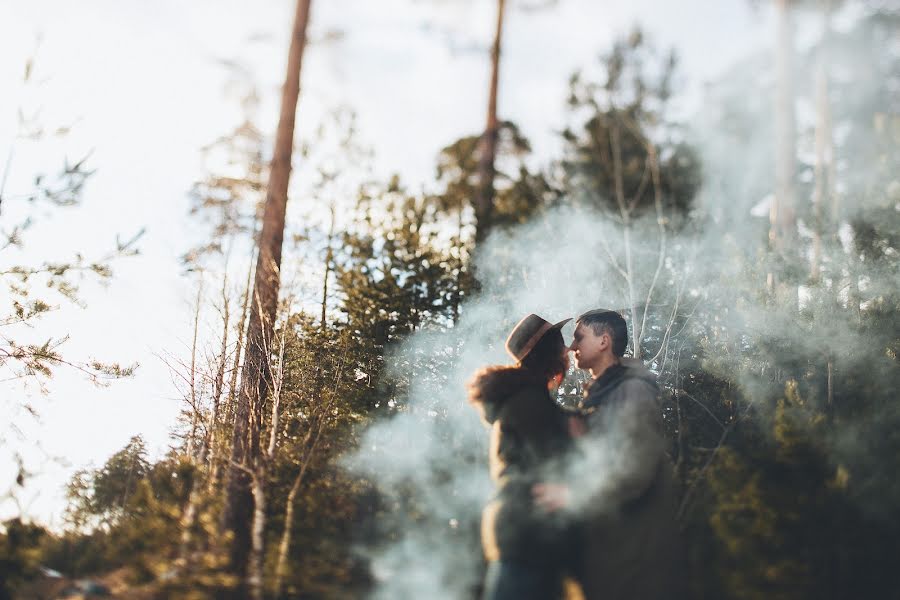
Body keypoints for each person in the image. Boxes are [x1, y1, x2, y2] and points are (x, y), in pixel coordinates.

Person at [535, 308, 687, 600]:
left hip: (632, 556)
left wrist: (572, 495)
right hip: (610, 547)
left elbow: (633, 471)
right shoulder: (601, 394)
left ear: (604, 341)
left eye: (579, 337)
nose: (572, 347)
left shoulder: (632, 392)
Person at [467, 313, 581, 600]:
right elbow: (552, 461)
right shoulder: (530, 401)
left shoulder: (528, 399)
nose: (568, 351)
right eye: (561, 345)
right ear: (550, 355)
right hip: (527, 537)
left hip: (523, 534)